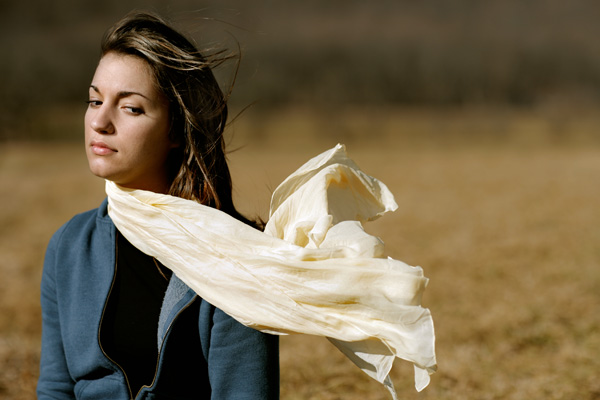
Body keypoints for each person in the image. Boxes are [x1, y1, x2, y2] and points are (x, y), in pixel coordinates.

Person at [37, 11, 280, 400]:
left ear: (176, 131)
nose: (100, 121)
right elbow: (55, 388)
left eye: (130, 108)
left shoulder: (235, 256)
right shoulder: (70, 245)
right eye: (94, 100)